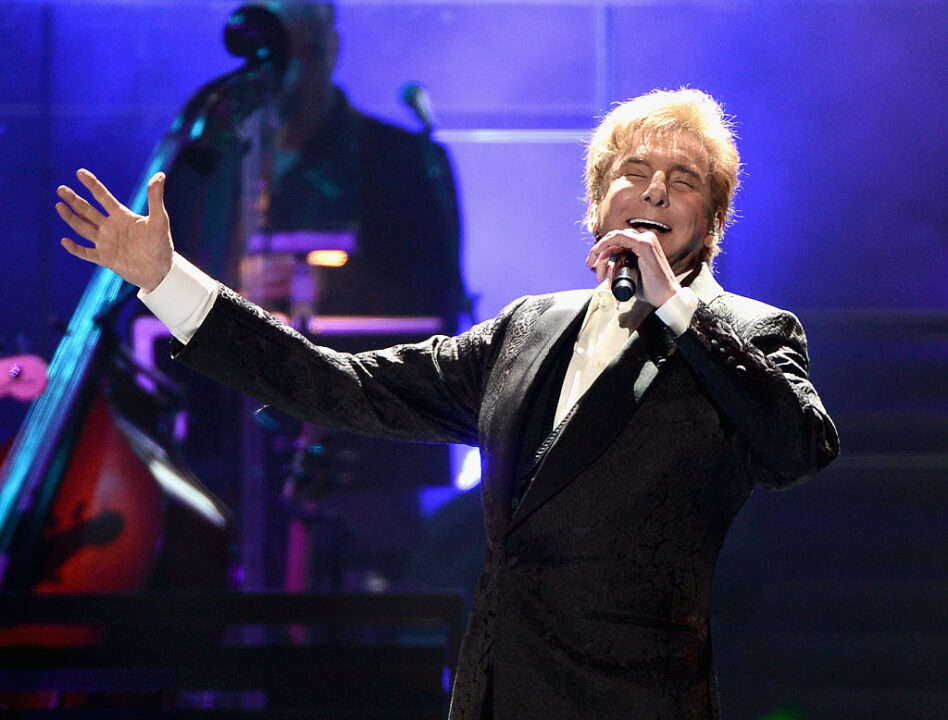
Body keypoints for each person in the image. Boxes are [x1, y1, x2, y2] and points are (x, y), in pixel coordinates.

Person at [55, 87, 839, 719]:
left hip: (636, 700)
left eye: (685, 180)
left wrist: (680, 312)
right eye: (635, 172)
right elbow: (341, 383)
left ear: (711, 220)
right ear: (599, 204)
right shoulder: (529, 329)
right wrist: (167, 281)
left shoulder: (749, 332)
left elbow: (797, 447)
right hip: (496, 694)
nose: (656, 191)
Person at [158, 0, 468, 591]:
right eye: (279, 43)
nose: (294, 59)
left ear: (332, 47)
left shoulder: (404, 160)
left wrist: (328, 284)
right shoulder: (208, 162)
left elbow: (441, 298)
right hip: (227, 434)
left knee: (364, 620)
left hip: (367, 445)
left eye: (308, 41)